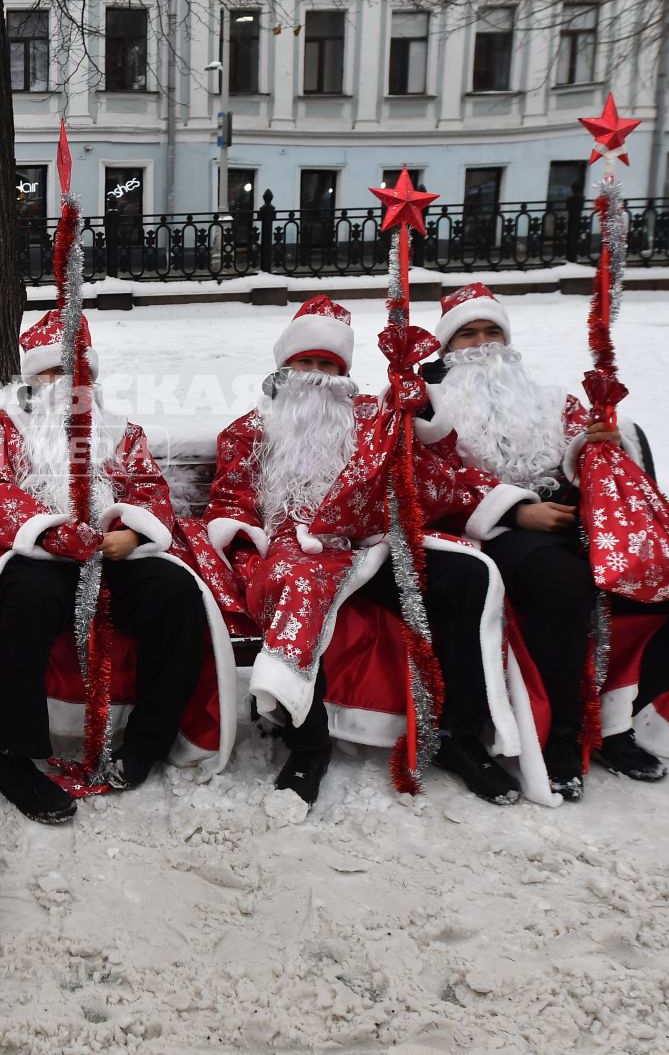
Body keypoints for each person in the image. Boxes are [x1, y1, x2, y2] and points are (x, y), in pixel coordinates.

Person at [420, 282, 669, 799]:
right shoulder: (427, 405)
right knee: (564, 582)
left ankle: (615, 711)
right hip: (492, 533)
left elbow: (592, 458)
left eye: (493, 330)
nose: (484, 342)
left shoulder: (552, 400)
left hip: (584, 523)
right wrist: (516, 510)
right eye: (468, 333)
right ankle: (561, 733)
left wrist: (598, 447)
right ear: (446, 347)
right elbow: (430, 477)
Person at [200, 295, 535, 806]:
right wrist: (250, 542)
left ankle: (458, 737)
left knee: (466, 579)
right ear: (283, 368)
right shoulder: (250, 430)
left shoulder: (373, 419)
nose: (315, 376)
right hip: (294, 547)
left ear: (346, 373)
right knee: (298, 584)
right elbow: (229, 502)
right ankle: (308, 743)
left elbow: (430, 474)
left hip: (373, 541)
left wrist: (418, 414)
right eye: (304, 363)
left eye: (328, 365)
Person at [0, 311, 225, 825]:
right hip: (39, 550)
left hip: (113, 551)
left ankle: (146, 742)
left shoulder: (122, 431)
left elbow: (151, 490)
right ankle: (16, 758)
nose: (59, 385)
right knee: (29, 603)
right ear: (29, 380)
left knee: (174, 593)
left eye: (69, 373)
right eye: (47, 375)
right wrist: (54, 533)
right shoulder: (2, 427)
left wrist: (134, 531)